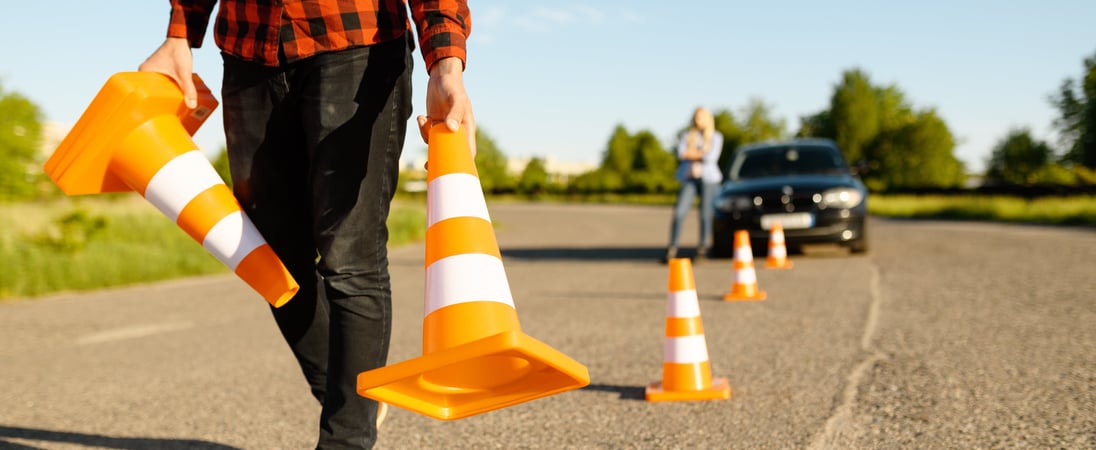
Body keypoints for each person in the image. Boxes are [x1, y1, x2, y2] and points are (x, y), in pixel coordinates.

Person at [138, 1, 474, 448]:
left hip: (356, 41)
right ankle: (356, 399)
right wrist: (180, 32)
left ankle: (346, 437)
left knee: (350, 258)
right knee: (268, 256)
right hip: (249, 49)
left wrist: (446, 64)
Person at [665, 107, 723, 262]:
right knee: (679, 212)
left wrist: (693, 154)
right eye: (696, 117)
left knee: (705, 214)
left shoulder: (716, 137)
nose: (698, 120)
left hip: (708, 179)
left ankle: (703, 248)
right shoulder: (687, 136)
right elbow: (682, 154)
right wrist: (700, 153)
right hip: (689, 177)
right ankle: (672, 247)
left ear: (708, 119)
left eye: (701, 117)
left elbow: (711, 158)